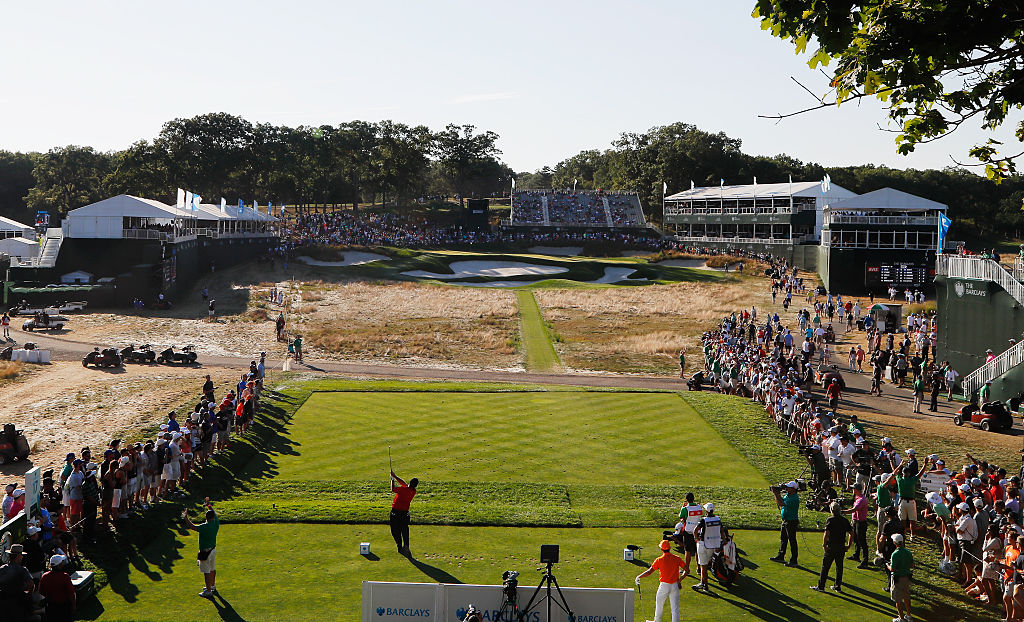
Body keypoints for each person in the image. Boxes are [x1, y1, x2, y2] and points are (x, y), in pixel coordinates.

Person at [635, 539, 683, 622]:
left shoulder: (659, 560)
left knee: (659, 605)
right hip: (675, 585)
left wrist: (639, 576)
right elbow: (687, 570)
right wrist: (679, 580)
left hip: (664, 585)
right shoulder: (676, 558)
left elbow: (649, 572)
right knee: (675, 608)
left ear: (662, 549)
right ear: (669, 548)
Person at [811, 501, 853, 593]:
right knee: (839, 567)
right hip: (841, 546)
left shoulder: (830, 520)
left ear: (831, 510)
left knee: (825, 567)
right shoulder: (844, 520)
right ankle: (837, 586)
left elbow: (826, 534)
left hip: (831, 546)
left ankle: (821, 586)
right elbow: (851, 533)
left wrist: (824, 545)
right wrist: (849, 545)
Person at [183, 498, 220, 598]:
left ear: (206, 517)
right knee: (212, 568)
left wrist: (186, 517)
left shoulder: (204, 526)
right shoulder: (216, 523)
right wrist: (209, 505)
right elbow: (214, 513)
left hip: (205, 551)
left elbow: (193, 527)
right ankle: (212, 586)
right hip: (213, 549)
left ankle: (208, 591)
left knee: (206, 571)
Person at [692, 502, 723, 593]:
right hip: (712, 545)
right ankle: (702, 582)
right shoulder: (718, 519)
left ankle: (705, 586)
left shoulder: (703, 520)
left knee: (703, 566)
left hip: (702, 545)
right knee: (704, 565)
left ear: (706, 511)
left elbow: (695, 530)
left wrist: (696, 538)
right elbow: (721, 530)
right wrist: (723, 540)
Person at [770, 481, 800, 566]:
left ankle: (794, 560)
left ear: (793, 489)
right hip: (786, 520)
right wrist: (776, 494)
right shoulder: (788, 495)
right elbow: (780, 502)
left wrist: (776, 493)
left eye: (789, 487)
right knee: (783, 539)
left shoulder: (794, 498)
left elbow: (781, 503)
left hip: (791, 521)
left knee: (792, 540)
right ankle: (781, 556)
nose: (787, 488)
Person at [38, 554, 76, 622]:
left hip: (50, 607)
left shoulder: (45, 576)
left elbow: (41, 591)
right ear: (59, 565)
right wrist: (73, 606)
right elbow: (71, 594)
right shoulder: (65, 577)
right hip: (64, 607)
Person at [390, 469, 418, 555]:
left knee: (395, 530)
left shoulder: (403, 490)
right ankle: (406, 546)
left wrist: (392, 480)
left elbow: (393, 489)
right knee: (404, 530)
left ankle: (399, 546)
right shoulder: (413, 491)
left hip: (395, 513)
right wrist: (395, 476)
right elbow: (404, 484)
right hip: (404, 514)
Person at [888, 533, 914, 622]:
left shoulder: (895, 554)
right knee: (906, 597)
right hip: (907, 578)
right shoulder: (908, 552)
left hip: (898, 578)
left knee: (898, 599)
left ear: (895, 543)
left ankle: (901, 618)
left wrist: (888, 565)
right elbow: (912, 565)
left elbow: (892, 569)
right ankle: (909, 616)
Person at [677, 492, 702, 578]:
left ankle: (686, 568)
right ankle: (699, 568)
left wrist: (682, 506)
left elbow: (681, 517)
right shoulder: (699, 507)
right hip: (697, 532)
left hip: (688, 531)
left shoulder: (685, 509)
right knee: (697, 551)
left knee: (687, 551)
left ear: (686, 499)